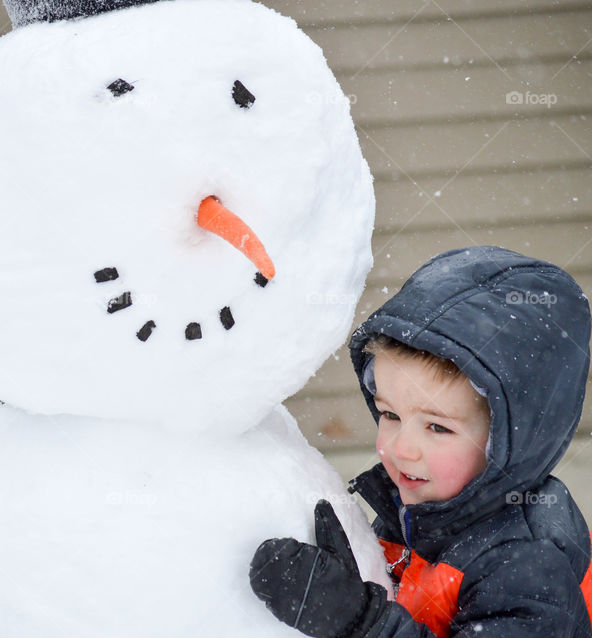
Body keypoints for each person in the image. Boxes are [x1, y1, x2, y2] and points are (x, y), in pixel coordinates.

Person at [249, 245, 592, 637]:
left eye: (437, 428)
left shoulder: (527, 566)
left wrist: (357, 621)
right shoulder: (417, 510)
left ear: (512, 442)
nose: (400, 449)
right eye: (391, 415)